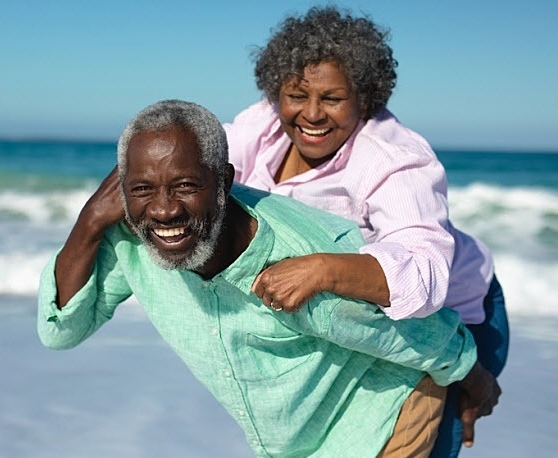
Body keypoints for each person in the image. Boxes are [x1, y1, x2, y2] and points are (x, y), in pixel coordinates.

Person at [38, 100, 499, 457]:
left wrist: (472, 375)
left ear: (223, 181)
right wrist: (89, 222)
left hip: (378, 421)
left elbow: (401, 332)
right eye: (142, 189)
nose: (164, 209)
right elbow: (61, 330)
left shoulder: (295, 264)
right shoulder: (138, 240)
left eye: (185, 185)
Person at [222, 7, 508, 456]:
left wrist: (323, 270)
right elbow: (196, 156)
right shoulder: (263, 126)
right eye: (296, 95)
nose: (311, 114)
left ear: (365, 96)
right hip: (380, 326)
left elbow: (424, 274)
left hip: (461, 315)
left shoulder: (393, 159)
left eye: (333, 98)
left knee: (438, 434)